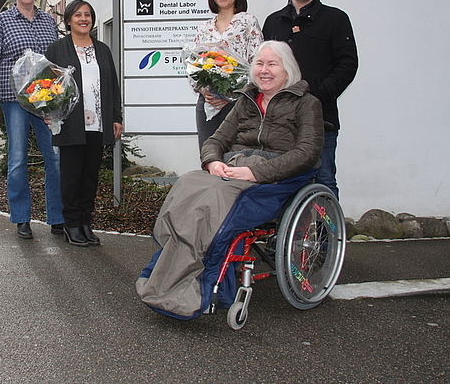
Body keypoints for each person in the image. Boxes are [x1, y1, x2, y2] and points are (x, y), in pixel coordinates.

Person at [136, 41, 323, 318]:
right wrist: (212, 161)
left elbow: (307, 152)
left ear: (288, 70)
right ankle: (168, 269)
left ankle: (202, 284)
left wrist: (256, 173)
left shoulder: (307, 104)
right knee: (187, 184)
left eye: (273, 64)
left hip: (274, 178)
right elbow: (217, 139)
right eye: (260, 64)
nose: (265, 70)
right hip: (233, 167)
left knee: (214, 201)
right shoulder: (246, 100)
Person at [261, 0, 358, 198]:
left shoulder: (335, 19)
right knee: (280, 181)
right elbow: (263, 68)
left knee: (323, 180)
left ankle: (328, 235)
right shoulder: (274, 22)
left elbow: (347, 65)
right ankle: (286, 236)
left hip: (320, 119)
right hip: (281, 122)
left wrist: (316, 97)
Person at [0, 0, 65, 239]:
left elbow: (56, 60)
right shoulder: (3, 21)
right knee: (17, 159)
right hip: (13, 99)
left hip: (44, 100)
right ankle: (21, 218)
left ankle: (57, 217)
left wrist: (61, 95)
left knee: (54, 157)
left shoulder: (48, 21)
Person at [45, 0, 123, 247]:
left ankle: (85, 222)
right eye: (78, 15)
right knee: (71, 176)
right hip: (71, 123)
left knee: (90, 175)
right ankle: (71, 224)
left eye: (87, 15)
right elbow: (45, 85)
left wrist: (116, 117)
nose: (83, 19)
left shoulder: (102, 49)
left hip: (98, 123)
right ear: (68, 20)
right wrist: (49, 112)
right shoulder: (58, 49)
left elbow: (112, 85)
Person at [192, 0, 263, 151]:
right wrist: (205, 90)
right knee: (210, 156)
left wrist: (229, 95)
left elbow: (257, 63)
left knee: (237, 158)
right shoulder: (204, 28)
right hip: (208, 104)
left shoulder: (247, 21)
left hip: (240, 103)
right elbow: (194, 66)